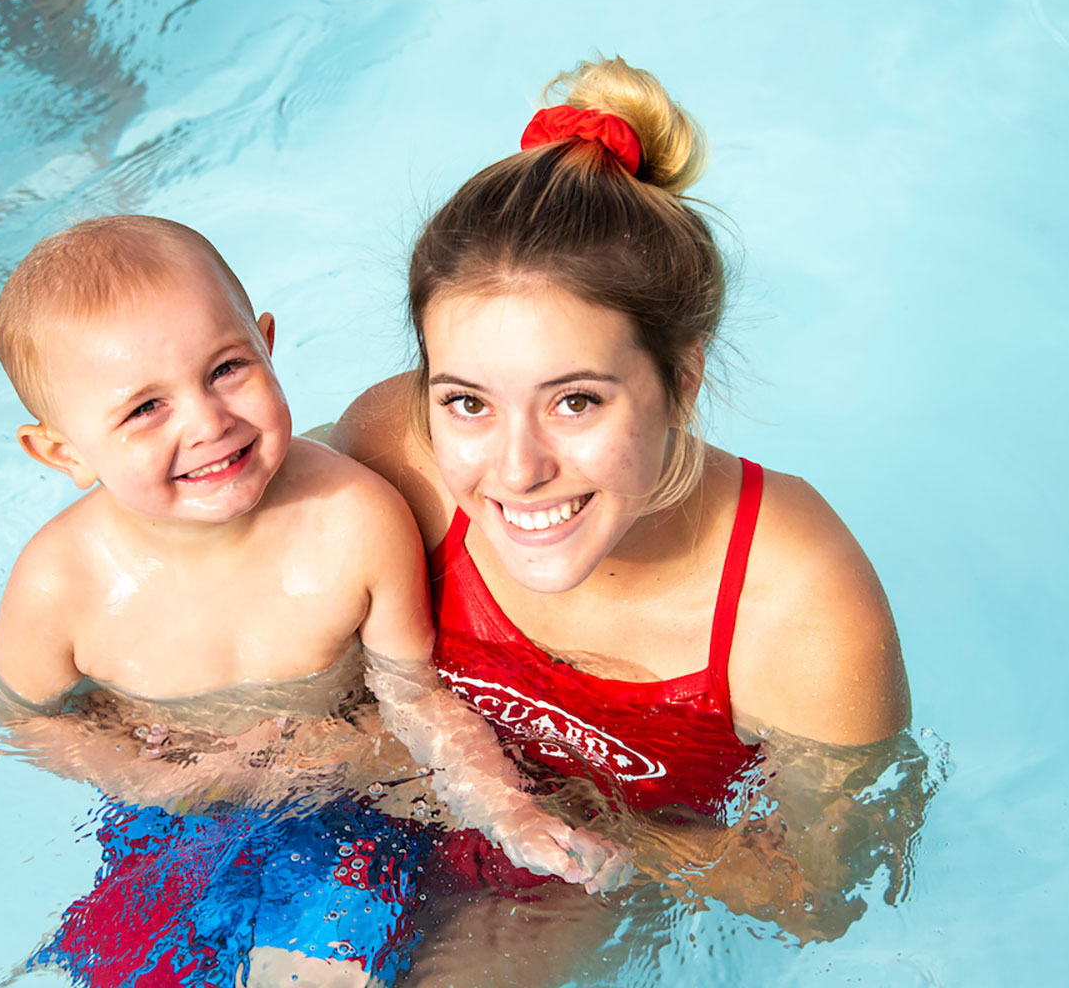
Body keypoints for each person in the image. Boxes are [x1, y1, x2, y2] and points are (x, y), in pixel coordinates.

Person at [331, 57, 915, 975]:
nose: (517, 470)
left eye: (576, 402)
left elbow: (825, 892)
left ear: (680, 382)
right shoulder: (393, 453)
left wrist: (573, 828)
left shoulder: (794, 601)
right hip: (378, 791)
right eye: (467, 402)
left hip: (563, 884)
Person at [0, 215, 630, 987]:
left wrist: (510, 810)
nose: (208, 420)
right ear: (61, 451)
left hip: (341, 812)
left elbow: (415, 695)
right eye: (144, 409)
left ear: (265, 341)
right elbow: (30, 722)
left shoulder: (355, 519)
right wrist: (151, 781)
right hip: (165, 821)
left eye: (226, 369)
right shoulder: (59, 583)